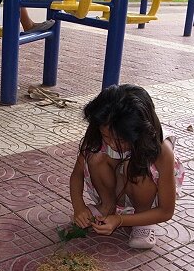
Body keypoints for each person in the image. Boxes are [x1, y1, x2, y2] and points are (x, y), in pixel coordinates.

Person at [69, 84, 185, 249]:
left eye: (121, 140)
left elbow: (166, 211)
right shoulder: (101, 130)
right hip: (116, 190)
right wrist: (78, 206)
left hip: (145, 197)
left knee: (139, 170)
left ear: (139, 133)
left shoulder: (161, 150)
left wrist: (121, 220)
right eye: (105, 136)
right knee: (94, 156)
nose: (110, 143)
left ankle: (142, 222)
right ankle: (106, 207)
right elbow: (77, 175)